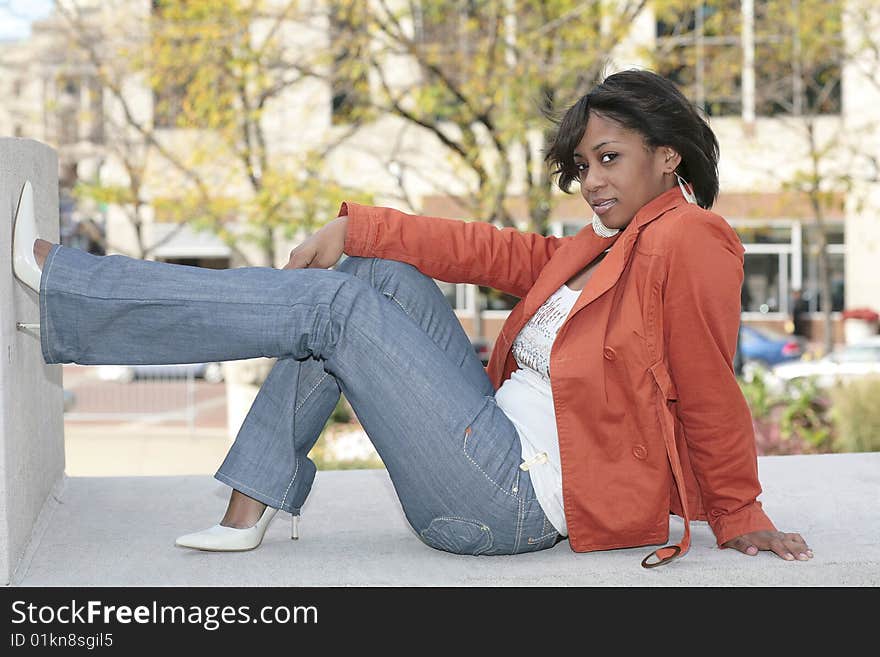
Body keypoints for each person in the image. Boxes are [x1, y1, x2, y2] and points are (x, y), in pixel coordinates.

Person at [13, 69, 812, 568]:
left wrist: (739, 514)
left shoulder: (691, 238)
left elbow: (710, 381)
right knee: (370, 274)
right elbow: (484, 249)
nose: (592, 181)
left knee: (332, 307)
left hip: (512, 502)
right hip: (490, 444)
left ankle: (76, 286)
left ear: (666, 155)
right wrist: (356, 229)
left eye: (610, 158)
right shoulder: (599, 247)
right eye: (582, 167)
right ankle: (250, 501)